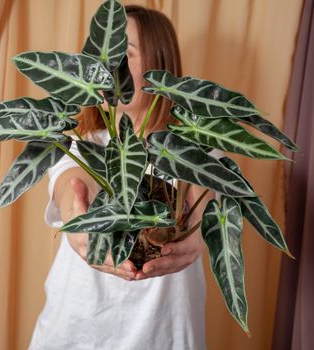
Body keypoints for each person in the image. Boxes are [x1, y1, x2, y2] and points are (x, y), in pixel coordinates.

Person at [29, 6, 211, 349]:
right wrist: (77, 216)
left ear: (159, 65)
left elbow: (204, 188)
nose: (107, 66)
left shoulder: (195, 146)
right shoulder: (80, 143)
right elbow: (73, 184)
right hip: (77, 328)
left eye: (123, 53)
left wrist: (202, 223)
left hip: (163, 334)